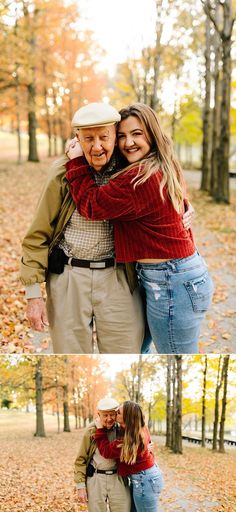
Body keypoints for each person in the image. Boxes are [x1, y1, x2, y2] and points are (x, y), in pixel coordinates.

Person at [66, 102, 214, 354]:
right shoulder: (162, 163)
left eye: (137, 134)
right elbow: (169, 202)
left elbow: (91, 206)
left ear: (152, 134)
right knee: (136, 352)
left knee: (175, 358)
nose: (128, 143)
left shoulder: (139, 178)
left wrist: (78, 162)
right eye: (121, 135)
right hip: (170, 275)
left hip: (170, 281)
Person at [20, 103, 146, 354]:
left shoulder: (131, 169)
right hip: (68, 278)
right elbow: (37, 235)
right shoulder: (62, 171)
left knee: (125, 352)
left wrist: (185, 206)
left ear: (115, 134)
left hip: (118, 277)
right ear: (77, 138)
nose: (97, 146)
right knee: (70, 357)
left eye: (104, 137)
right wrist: (33, 295)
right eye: (88, 138)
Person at [94, 400, 164, 512]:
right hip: (147, 477)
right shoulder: (138, 427)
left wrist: (100, 430)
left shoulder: (127, 441)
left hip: (144, 481)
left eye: (119, 412)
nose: (115, 413)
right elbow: (146, 444)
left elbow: (106, 451)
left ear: (127, 418)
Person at [74, 397, 131, 512]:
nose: (109, 419)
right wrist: (80, 486)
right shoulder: (91, 431)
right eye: (105, 415)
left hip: (118, 478)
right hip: (96, 479)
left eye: (112, 415)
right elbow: (81, 459)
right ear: (98, 414)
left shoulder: (121, 430)